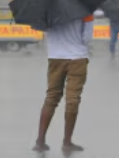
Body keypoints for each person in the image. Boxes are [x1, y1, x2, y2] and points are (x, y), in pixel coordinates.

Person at [32, 15, 94, 154]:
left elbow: (43, 31)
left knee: (51, 97)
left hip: (55, 57)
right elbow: (86, 38)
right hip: (77, 57)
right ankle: (67, 143)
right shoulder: (85, 9)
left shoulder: (48, 9)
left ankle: (40, 141)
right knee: (72, 100)